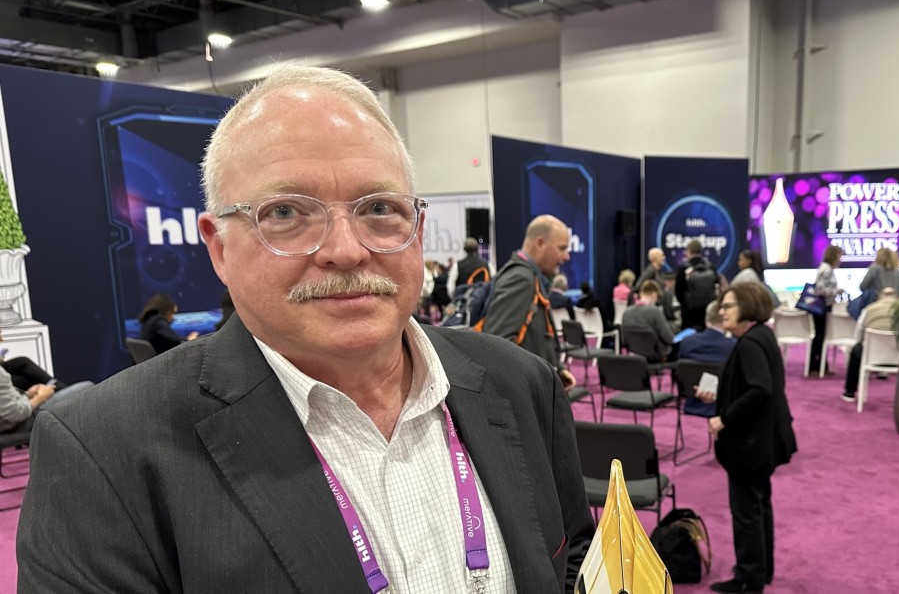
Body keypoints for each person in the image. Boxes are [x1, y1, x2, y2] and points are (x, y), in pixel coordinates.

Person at [17, 66, 592, 593]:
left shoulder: (520, 383)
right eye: (286, 213)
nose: (346, 250)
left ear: (415, 229)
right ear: (219, 247)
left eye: (378, 209)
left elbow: (571, 561)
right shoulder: (102, 450)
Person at [699, 282, 797, 594]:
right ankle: (760, 571)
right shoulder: (761, 335)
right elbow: (755, 387)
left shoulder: (750, 343)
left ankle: (749, 578)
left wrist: (723, 418)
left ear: (747, 307)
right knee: (758, 506)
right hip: (762, 441)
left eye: (728, 306)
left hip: (749, 445)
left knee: (747, 513)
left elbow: (759, 389)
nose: (721, 311)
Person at [484, 214, 578, 390]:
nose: (566, 256)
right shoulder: (520, 278)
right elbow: (496, 345)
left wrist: (557, 368)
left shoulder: (530, 277)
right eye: (562, 248)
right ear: (540, 243)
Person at [678, 300, 737, 417]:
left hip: (692, 399)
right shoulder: (733, 346)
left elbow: (679, 372)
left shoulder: (687, 342)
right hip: (725, 404)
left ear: (706, 318)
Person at [841, 287, 899, 402]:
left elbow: (858, 336)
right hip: (898, 358)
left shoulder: (868, 310)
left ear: (879, 297)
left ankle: (850, 392)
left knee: (856, 349)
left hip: (871, 357)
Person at [810, 245, 844, 376]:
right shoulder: (827, 269)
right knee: (820, 336)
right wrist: (836, 291)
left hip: (822, 306)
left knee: (820, 336)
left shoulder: (824, 268)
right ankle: (815, 366)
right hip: (822, 306)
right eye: (839, 256)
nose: (840, 259)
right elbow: (820, 289)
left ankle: (820, 365)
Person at [621, 280, 676, 361]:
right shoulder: (655, 311)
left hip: (634, 353)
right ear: (654, 294)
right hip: (655, 355)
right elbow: (669, 339)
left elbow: (623, 339)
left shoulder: (626, 312)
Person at [675, 240, 719, 331]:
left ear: (688, 251)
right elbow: (716, 285)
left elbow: (678, 291)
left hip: (689, 313)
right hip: (707, 311)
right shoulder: (710, 267)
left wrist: (685, 304)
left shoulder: (683, 268)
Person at [636, 247, 675, 321]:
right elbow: (638, 286)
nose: (664, 258)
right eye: (662, 255)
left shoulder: (658, 271)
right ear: (655, 257)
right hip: (650, 310)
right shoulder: (650, 271)